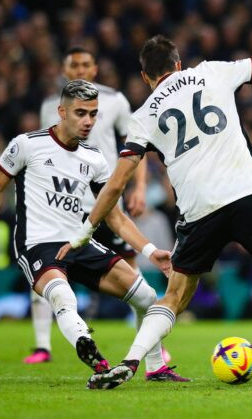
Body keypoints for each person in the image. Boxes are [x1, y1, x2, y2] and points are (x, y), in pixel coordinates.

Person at [59, 35, 252, 390]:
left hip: (197, 210)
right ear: (177, 64)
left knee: (173, 298)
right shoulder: (210, 72)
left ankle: (130, 362)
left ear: (145, 77)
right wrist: (238, 72)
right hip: (246, 192)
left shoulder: (144, 115)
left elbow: (115, 186)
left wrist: (85, 230)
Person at [0, 80, 187, 382]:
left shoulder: (94, 158)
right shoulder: (27, 144)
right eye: (81, 113)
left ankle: (155, 367)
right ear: (61, 111)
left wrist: (149, 251)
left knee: (146, 297)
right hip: (38, 244)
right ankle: (88, 347)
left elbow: (115, 217)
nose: (88, 121)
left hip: (79, 242)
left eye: (93, 114)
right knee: (63, 296)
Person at [27, 47, 174, 371]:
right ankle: (42, 344)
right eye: (73, 64)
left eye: (85, 63)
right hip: (64, 207)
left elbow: (137, 145)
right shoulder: (50, 107)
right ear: (65, 69)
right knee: (46, 273)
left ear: (95, 68)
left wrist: (136, 188)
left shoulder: (116, 101)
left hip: (107, 200)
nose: (79, 69)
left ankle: (152, 351)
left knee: (133, 276)